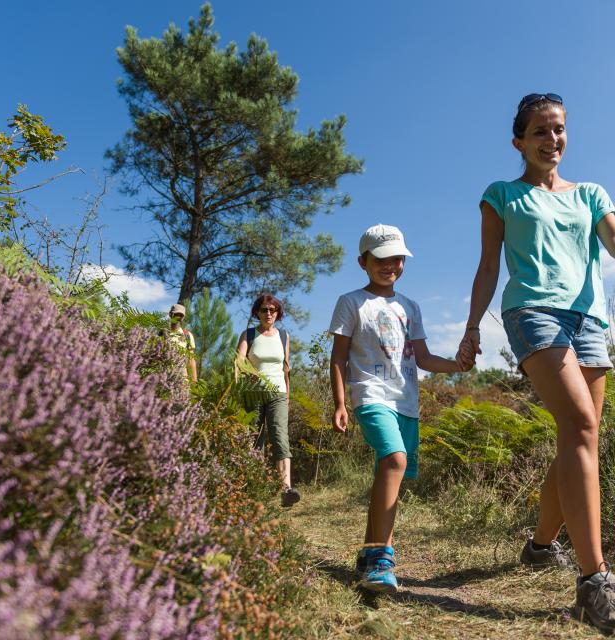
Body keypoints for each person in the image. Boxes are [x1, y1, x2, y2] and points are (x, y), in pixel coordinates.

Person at [456, 93, 615, 633]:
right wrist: (473, 326)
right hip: (533, 312)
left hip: (590, 319)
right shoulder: (502, 195)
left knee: (580, 440)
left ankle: (541, 545)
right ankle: (596, 584)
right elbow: (486, 266)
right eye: (541, 131)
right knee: (580, 424)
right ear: (519, 141)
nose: (553, 140)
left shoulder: (591, 194)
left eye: (560, 129)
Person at [329, 224, 466, 593]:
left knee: (389, 472)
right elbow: (338, 358)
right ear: (363, 261)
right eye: (381, 259)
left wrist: (456, 364)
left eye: (397, 259)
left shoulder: (410, 307)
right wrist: (341, 403)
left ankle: (368, 550)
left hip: (406, 401)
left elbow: (422, 358)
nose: (390, 265)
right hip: (370, 396)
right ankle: (380, 559)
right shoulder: (351, 302)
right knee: (394, 459)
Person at [236, 294, 300, 508]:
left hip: (278, 394)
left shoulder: (284, 336)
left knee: (280, 437)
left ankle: (286, 490)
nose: (268, 313)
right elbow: (239, 361)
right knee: (253, 440)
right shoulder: (249, 335)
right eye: (264, 310)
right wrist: (247, 372)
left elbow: (285, 368)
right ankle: (250, 487)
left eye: (273, 310)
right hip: (253, 393)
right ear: (257, 312)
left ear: (278, 313)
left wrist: (288, 395)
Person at [164, 303, 198, 383]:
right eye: (176, 314)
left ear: (183, 317)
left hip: (182, 379)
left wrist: (194, 382)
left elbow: (191, 360)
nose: (178, 317)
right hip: (163, 376)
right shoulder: (163, 333)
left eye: (181, 315)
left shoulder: (187, 335)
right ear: (170, 314)